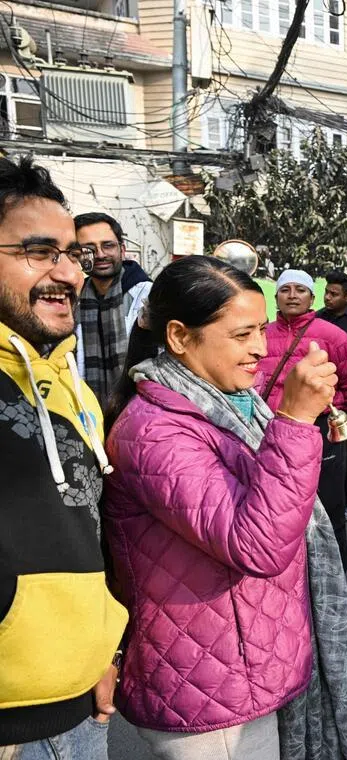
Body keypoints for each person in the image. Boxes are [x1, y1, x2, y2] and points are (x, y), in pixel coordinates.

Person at [102, 256, 347, 760]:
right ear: (179, 336)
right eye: (242, 335)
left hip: (246, 662)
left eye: (262, 330)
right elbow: (257, 543)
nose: (261, 349)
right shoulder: (155, 430)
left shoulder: (227, 403)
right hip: (211, 689)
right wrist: (295, 419)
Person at [0, 156, 127, 758]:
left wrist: (100, 651)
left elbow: (84, 529)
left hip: (81, 706)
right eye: (38, 251)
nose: (68, 273)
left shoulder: (71, 385)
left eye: (71, 255)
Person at [260, 269, 347, 571]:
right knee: (277, 509)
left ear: (312, 297)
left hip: (319, 432)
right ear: (276, 296)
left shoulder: (334, 337)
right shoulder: (261, 335)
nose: (292, 295)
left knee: (328, 513)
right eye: (286, 289)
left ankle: (335, 584)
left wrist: (327, 408)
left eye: (300, 290)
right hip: (270, 431)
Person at [74, 211, 152, 406]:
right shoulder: (72, 300)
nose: (100, 254)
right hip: (86, 409)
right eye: (88, 249)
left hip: (138, 408)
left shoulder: (148, 297)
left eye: (107, 245)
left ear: (122, 249)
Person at [317, 270, 347, 521]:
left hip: (346, 399)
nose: (328, 298)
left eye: (334, 294)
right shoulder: (318, 319)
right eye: (327, 292)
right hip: (321, 398)